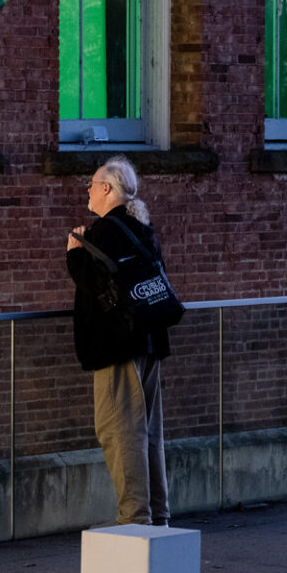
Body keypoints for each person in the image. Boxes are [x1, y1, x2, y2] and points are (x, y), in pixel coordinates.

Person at [66, 158, 171, 527]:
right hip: (150, 339)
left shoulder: (103, 231)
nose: (88, 191)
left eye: (92, 184)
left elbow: (94, 287)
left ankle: (134, 519)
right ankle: (157, 515)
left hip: (117, 346)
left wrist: (74, 253)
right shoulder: (141, 226)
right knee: (150, 432)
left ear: (108, 188)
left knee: (119, 430)